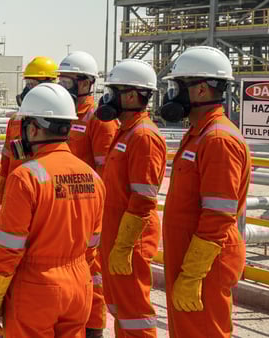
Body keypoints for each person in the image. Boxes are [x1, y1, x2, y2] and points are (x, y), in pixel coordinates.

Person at [0, 83, 105, 337]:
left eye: (24, 127)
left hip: (36, 287)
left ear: (35, 128)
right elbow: (92, 247)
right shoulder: (92, 177)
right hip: (79, 286)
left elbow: (9, 248)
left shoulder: (26, 177)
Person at [159, 46, 249, 337]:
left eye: (178, 87)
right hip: (189, 258)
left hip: (206, 265)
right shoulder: (199, 133)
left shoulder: (218, 139)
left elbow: (218, 215)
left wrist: (193, 273)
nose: (172, 95)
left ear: (199, 91)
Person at [96, 59, 166, 337]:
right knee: (120, 307)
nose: (108, 98)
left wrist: (125, 245)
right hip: (116, 235)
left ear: (133, 96)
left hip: (131, 240)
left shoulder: (144, 136)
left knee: (135, 311)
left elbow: (143, 198)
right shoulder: (125, 132)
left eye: (114, 91)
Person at [57, 50, 118, 337]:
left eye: (68, 81)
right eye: (61, 80)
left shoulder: (99, 120)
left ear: (86, 84)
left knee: (92, 269)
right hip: (62, 206)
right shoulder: (64, 114)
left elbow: (106, 173)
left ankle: (94, 326)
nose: (63, 86)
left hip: (87, 210)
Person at [0, 56, 58, 219]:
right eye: (26, 84)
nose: (26, 91)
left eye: (31, 85)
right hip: (16, 193)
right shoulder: (15, 121)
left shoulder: (58, 125)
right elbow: (7, 159)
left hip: (45, 196)